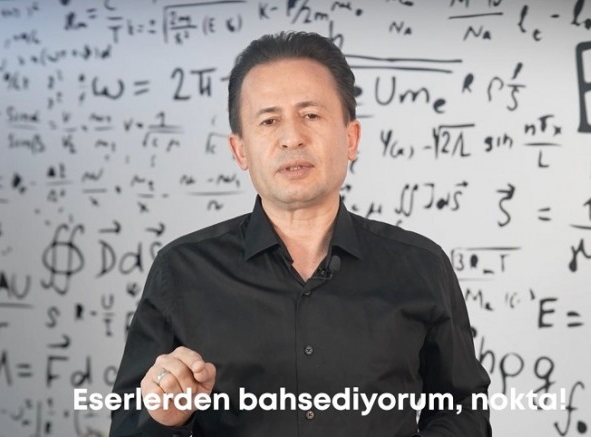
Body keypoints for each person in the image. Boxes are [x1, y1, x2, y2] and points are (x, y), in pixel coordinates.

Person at [109, 31, 491, 436]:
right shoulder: (181, 271)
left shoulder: (421, 266)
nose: (292, 137)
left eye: (310, 115)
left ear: (351, 138)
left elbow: (463, 409)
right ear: (240, 150)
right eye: (269, 120)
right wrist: (165, 418)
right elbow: (127, 425)